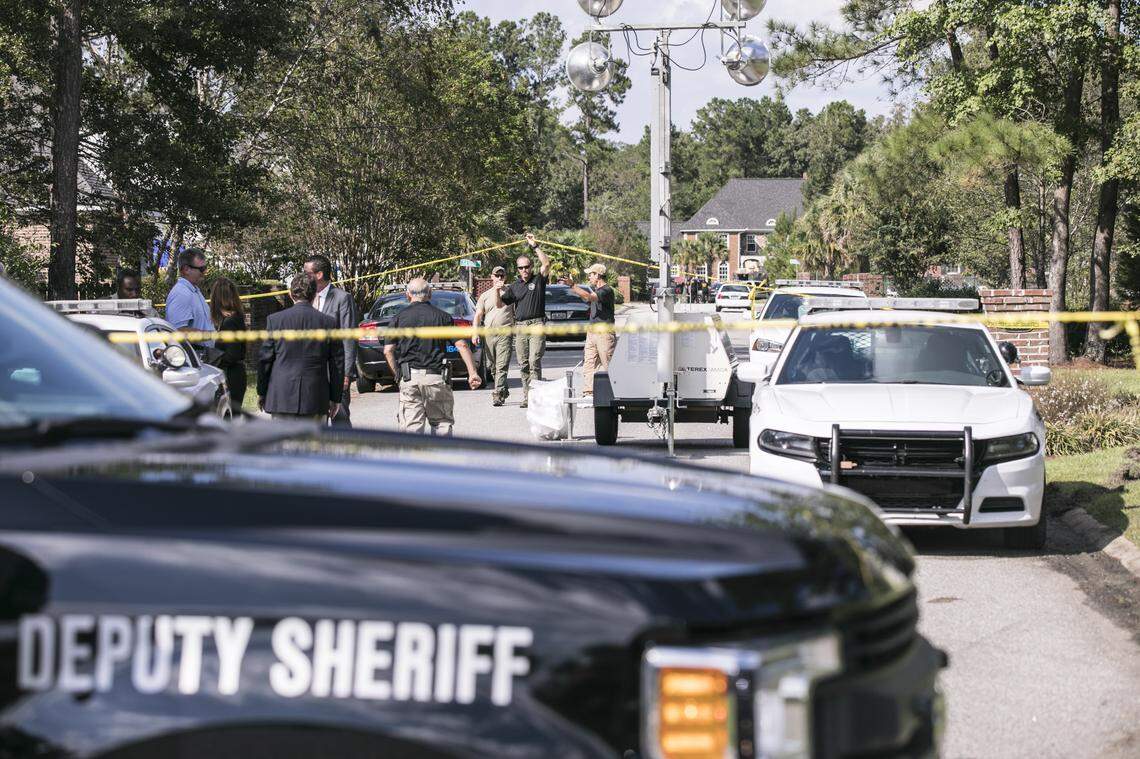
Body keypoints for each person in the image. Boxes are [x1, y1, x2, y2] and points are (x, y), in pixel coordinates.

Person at [384, 278, 482, 435]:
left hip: (410, 379)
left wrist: (398, 375)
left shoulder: (398, 319)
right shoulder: (443, 318)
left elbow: (388, 350)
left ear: (407, 295)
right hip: (436, 379)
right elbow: (462, 345)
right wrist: (472, 373)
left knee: (411, 429)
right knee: (441, 425)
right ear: (430, 294)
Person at [257, 275, 344, 421]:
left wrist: (262, 391)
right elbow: (337, 364)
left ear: (291, 295)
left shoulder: (275, 321)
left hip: (282, 397)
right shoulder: (328, 322)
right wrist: (336, 397)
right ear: (315, 295)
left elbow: (265, 360)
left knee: (283, 443)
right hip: (315, 397)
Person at [497, 233, 550, 408]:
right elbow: (501, 304)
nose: (524, 270)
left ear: (531, 266)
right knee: (523, 364)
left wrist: (534, 246)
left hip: (536, 324)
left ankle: (536, 397)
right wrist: (498, 290)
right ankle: (527, 397)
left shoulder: (538, 279)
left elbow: (546, 263)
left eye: (527, 267)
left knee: (534, 360)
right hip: (520, 327)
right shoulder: (514, 286)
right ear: (517, 269)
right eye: (521, 268)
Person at [304, 253, 357, 428]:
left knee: (340, 419)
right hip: (312, 372)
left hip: (336, 370)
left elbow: (348, 337)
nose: (303, 276)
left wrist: (346, 373)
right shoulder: (305, 298)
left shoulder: (342, 298)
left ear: (318, 275)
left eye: (306, 272)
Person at [570, 263, 617, 396]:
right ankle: (588, 392)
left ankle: (614, 392)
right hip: (592, 332)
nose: (589, 277)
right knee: (589, 363)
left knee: (608, 363)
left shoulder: (606, 291)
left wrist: (573, 285)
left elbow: (590, 297)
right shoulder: (595, 290)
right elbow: (588, 298)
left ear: (598, 275)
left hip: (604, 333)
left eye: (591, 274)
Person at [473, 265, 515, 407]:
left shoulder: (511, 293)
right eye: (496, 275)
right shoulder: (485, 295)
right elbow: (478, 315)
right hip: (489, 334)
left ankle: (497, 395)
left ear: (505, 277)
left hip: (505, 332)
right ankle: (503, 389)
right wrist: (475, 332)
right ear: (491, 277)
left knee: (501, 365)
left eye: (501, 276)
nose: (499, 278)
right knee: (493, 367)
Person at [210, 277, 248, 415]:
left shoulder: (229, 322)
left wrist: (213, 359)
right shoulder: (235, 317)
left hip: (231, 376)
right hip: (236, 374)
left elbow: (233, 354)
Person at [164, 248, 215, 349]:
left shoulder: (193, 290)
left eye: (205, 268)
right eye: (201, 269)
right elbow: (178, 332)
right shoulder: (181, 293)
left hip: (202, 357)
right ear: (186, 269)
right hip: (193, 358)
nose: (205, 272)